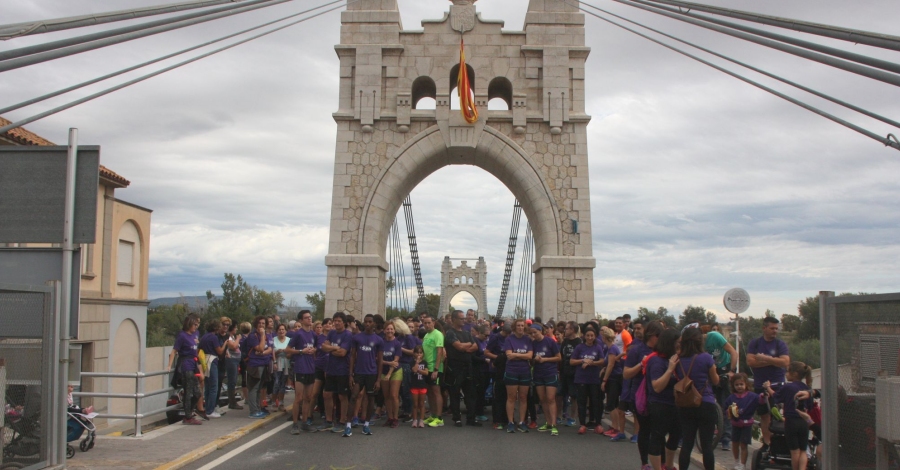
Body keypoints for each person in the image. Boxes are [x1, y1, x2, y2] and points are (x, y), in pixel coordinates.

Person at [675, 326, 720, 470]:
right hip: (705, 402)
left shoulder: (678, 359)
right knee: (706, 444)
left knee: (687, 443)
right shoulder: (706, 357)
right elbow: (715, 380)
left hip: (685, 404)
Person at [747, 316, 790, 449]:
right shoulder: (755, 343)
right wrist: (773, 361)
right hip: (761, 386)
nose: (775, 331)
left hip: (777, 386)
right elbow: (750, 362)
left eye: (776, 328)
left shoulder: (780, 344)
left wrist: (764, 358)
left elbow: (785, 362)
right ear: (764, 328)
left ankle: (780, 444)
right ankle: (767, 443)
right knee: (764, 416)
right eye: (772, 328)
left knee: (778, 415)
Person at [764, 362, 813, 470]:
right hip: (804, 422)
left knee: (795, 452)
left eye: (787, 371)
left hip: (791, 421)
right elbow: (810, 405)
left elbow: (776, 396)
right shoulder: (807, 389)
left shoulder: (788, 387)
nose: (786, 374)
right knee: (803, 450)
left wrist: (768, 387)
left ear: (794, 374)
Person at [624, 318, 658, 469]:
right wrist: (641, 364)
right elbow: (626, 374)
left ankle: (661, 462)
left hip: (659, 395)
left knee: (658, 431)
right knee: (645, 430)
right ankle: (644, 462)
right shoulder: (636, 350)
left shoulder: (663, 351)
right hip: (641, 396)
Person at [646, 328, 682, 470]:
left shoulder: (675, 358)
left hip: (675, 404)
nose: (680, 345)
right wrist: (670, 369)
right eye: (678, 343)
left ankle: (669, 465)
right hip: (659, 404)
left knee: (675, 436)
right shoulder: (656, 360)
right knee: (657, 437)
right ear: (670, 343)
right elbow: (657, 387)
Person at [701, 323, 738, 451]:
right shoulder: (696, 345)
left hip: (724, 368)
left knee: (725, 405)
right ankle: (711, 434)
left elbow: (734, 352)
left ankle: (726, 438)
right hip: (711, 370)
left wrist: (732, 371)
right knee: (709, 404)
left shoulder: (714, 336)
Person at [349, 314, 384, 436]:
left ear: (374, 323)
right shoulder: (357, 338)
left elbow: (380, 360)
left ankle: (366, 425)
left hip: (372, 373)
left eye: (370, 322)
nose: (368, 324)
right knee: (353, 396)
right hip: (359, 372)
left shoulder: (379, 340)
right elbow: (353, 356)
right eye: (366, 322)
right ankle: (348, 425)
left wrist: (379, 379)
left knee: (370, 399)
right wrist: (350, 374)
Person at [320, 312, 353, 436]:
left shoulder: (348, 335)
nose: (337, 323)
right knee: (327, 394)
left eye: (339, 321)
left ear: (344, 322)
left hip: (342, 370)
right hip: (331, 369)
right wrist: (335, 348)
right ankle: (329, 420)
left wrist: (331, 349)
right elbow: (324, 347)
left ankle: (342, 420)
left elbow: (343, 353)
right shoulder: (332, 333)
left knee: (342, 396)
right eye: (335, 320)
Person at [167, 314, 202, 425]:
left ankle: (190, 411)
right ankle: (187, 416)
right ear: (189, 324)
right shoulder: (182, 336)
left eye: (197, 325)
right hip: (185, 364)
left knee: (197, 393)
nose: (196, 327)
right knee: (188, 391)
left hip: (194, 363)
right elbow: (174, 351)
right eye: (194, 325)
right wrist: (169, 365)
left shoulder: (195, 334)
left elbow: (197, 350)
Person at [286, 309, 317, 434]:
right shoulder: (298, 334)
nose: (309, 319)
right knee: (298, 397)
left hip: (311, 368)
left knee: (308, 397)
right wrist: (300, 351)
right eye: (306, 318)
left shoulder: (314, 334)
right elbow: (287, 349)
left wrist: (313, 350)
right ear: (301, 320)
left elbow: (315, 348)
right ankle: (294, 424)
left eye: (310, 317)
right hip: (300, 368)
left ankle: (304, 422)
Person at [570, 326, 606, 435]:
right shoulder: (579, 347)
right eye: (588, 336)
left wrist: (591, 362)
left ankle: (598, 423)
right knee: (582, 402)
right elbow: (572, 361)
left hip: (594, 378)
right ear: (584, 336)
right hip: (581, 378)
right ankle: (582, 424)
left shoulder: (598, 347)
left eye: (592, 336)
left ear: (595, 336)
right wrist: (582, 360)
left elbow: (602, 361)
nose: (590, 338)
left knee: (596, 402)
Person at [724, 373, 762, 470]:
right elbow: (725, 409)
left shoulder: (752, 396)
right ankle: (736, 460)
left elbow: (760, 401)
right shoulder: (731, 397)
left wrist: (763, 396)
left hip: (747, 424)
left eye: (741, 384)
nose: (739, 387)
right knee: (735, 443)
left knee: (744, 445)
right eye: (737, 385)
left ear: (746, 384)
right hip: (735, 424)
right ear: (733, 386)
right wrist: (729, 412)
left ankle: (742, 463)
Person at [503, 319, 534, 433]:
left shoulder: (528, 340)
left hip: (525, 371)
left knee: (523, 398)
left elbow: (530, 356)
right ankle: (510, 422)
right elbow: (509, 356)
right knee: (511, 397)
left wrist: (516, 354)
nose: (520, 327)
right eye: (518, 326)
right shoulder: (509, 339)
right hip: (512, 371)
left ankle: (521, 422)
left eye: (522, 325)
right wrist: (523, 355)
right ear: (514, 327)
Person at [530, 323, 561, 436]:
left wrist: (545, 359)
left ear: (540, 331)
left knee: (550, 398)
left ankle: (554, 424)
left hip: (550, 372)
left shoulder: (550, 341)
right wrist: (535, 359)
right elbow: (530, 360)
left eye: (535, 332)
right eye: (532, 333)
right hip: (538, 373)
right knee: (542, 399)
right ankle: (548, 422)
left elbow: (559, 357)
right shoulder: (533, 343)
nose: (534, 335)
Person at [600, 326, 627, 441]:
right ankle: (615, 426)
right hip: (614, 377)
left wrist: (604, 380)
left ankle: (616, 427)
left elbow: (611, 365)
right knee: (613, 403)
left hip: (614, 378)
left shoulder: (612, 349)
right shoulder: (610, 348)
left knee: (611, 403)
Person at [245, 316, 273, 419]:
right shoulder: (253, 336)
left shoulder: (268, 335)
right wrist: (262, 336)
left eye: (263, 323)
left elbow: (270, 348)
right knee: (254, 388)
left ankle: (258, 408)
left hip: (264, 363)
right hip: (255, 365)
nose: (261, 325)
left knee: (259, 388)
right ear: (256, 324)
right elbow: (260, 348)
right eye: (259, 323)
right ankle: (253, 411)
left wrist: (262, 353)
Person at [199, 319, 227, 418]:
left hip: (205, 361)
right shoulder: (214, 338)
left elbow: (199, 349)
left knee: (208, 386)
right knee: (214, 387)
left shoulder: (204, 337)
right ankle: (210, 410)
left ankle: (207, 408)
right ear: (216, 328)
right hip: (212, 360)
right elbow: (219, 351)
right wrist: (224, 344)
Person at [421, 315, 445, 427]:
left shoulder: (438, 334)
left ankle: (439, 418)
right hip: (427, 368)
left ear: (433, 323)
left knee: (436, 392)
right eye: (425, 323)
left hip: (435, 368)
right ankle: (433, 415)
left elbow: (440, 352)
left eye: (429, 323)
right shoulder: (426, 335)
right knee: (429, 392)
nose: (427, 325)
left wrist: (436, 369)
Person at [485, 323, 510, 429]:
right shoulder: (495, 338)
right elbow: (486, 352)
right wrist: (500, 358)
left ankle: (506, 419)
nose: (508, 335)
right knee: (498, 396)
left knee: (507, 395)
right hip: (496, 369)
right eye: (507, 333)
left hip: (508, 370)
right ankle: (497, 419)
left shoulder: (510, 339)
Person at [559, 321, 582, 427]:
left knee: (574, 396)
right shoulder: (565, 341)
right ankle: (559, 416)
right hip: (564, 371)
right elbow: (561, 355)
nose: (565, 330)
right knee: (560, 394)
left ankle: (572, 418)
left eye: (567, 328)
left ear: (572, 330)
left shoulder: (579, 343)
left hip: (574, 372)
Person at [380, 322, 402, 428]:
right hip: (383, 370)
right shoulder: (381, 343)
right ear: (384, 330)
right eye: (388, 329)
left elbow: (396, 361)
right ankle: (390, 417)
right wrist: (388, 363)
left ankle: (395, 418)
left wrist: (389, 373)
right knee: (387, 396)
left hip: (395, 371)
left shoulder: (397, 343)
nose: (390, 331)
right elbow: (378, 359)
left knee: (394, 395)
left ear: (394, 331)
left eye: (391, 329)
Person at [396, 317, 418, 422]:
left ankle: (409, 412)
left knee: (406, 389)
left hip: (406, 364)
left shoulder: (409, 337)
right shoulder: (399, 337)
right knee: (401, 390)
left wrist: (401, 349)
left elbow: (413, 352)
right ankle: (405, 410)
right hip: (399, 364)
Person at [224, 322, 243, 410]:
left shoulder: (232, 337)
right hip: (231, 360)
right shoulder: (228, 336)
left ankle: (232, 400)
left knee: (234, 380)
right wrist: (238, 338)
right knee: (232, 380)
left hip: (236, 360)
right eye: (235, 328)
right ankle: (232, 401)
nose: (236, 329)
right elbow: (234, 346)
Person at [409, 345, 429, 428]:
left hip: (422, 385)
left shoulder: (425, 362)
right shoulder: (412, 362)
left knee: (422, 404)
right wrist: (417, 362)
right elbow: (413, 369)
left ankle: (421, 420)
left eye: (420, 353)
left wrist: (419, 370)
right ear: (414, 353)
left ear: (423, 354)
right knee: (415, 404)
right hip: (414, 385)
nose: (419, 354)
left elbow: (426, 373)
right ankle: (414, 420)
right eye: (417, 353)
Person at [272, 324, 290, 411]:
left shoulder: (289, 340)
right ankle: (274, 401)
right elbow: (271, 353)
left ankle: (281, 403)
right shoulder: (273, 340)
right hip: (276, 363)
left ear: (286, 331)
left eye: (283, 329)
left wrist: (287, 352)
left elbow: (291, 352)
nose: (281, 331)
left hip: (286, 363)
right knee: (276, 382)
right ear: (277, 331)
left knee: (283, 383)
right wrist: (277, 352)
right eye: (279, 329)